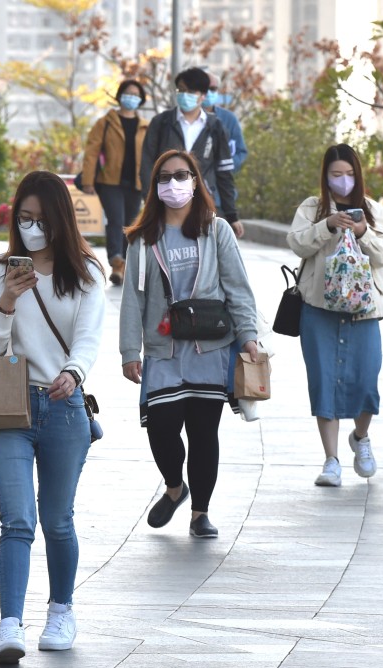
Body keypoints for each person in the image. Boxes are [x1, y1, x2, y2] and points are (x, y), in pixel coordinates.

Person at [0, 171, 105, 663]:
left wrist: (73, 371)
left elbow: (89, 337)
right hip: (7, 403)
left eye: (41, 219)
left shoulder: (86, 272)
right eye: (24, 218)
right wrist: (8, 299)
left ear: (61, 220)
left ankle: (61, 610)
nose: (32, 228)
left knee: (58, 520)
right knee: (17, 520)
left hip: (64, 405)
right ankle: (10, 623)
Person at [119, 149, 259, 539]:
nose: (173, 183)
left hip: (209, 348)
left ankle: (200, 513)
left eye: (181, 175)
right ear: (155, 187)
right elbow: (132, 298)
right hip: (163, 349)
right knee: (160, 428)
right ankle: (174, 486)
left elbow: (238, 287)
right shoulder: (142, 239)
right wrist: (129, 351)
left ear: (195, 181)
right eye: (164, 178)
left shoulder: (217, 230)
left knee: (203, 433)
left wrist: (248, 336)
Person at [286, 144, 383, 487]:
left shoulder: (375, 212)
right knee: (323, 382)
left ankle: (361, 437)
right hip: (319, 308)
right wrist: (327, 225)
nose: (343, 180)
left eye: (349, 174)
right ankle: (331, 459)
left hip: (364, 311)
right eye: (336, 174)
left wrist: (363, 231)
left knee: (366, 381)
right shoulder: (312, 208)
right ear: (325, 176)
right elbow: (297, 243)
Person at [139, 67, 244, 238]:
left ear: (203, 96)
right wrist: (149, 200)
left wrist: (232, 215)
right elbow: (147, 165)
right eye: (181, 90)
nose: (184, 95)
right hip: (166, 202)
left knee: (202, 249)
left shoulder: (215, 127)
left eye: (191, 91)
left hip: (203, 203)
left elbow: (224, 173)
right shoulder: (161, 123)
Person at [80, 79, 150, 286]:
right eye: (128, 93)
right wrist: (88, 180)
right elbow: (92, 152)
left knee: (131, 225)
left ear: (141, 99)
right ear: (119, 96)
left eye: (136, 94)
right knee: (116, 221)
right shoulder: (106, 122)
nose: (131, 97)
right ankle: (116, 261)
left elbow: (150, 156)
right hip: (110, 182)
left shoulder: (145, 126)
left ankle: (124, 264)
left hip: (136, 183)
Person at [201, 72, 248, 210]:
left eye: (213, 89)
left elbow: (241, 152)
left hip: (220, 198)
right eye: (205, 88)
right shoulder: (185, 121)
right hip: (190, 197)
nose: (209, 92)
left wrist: (223, 166)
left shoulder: (229, 119)